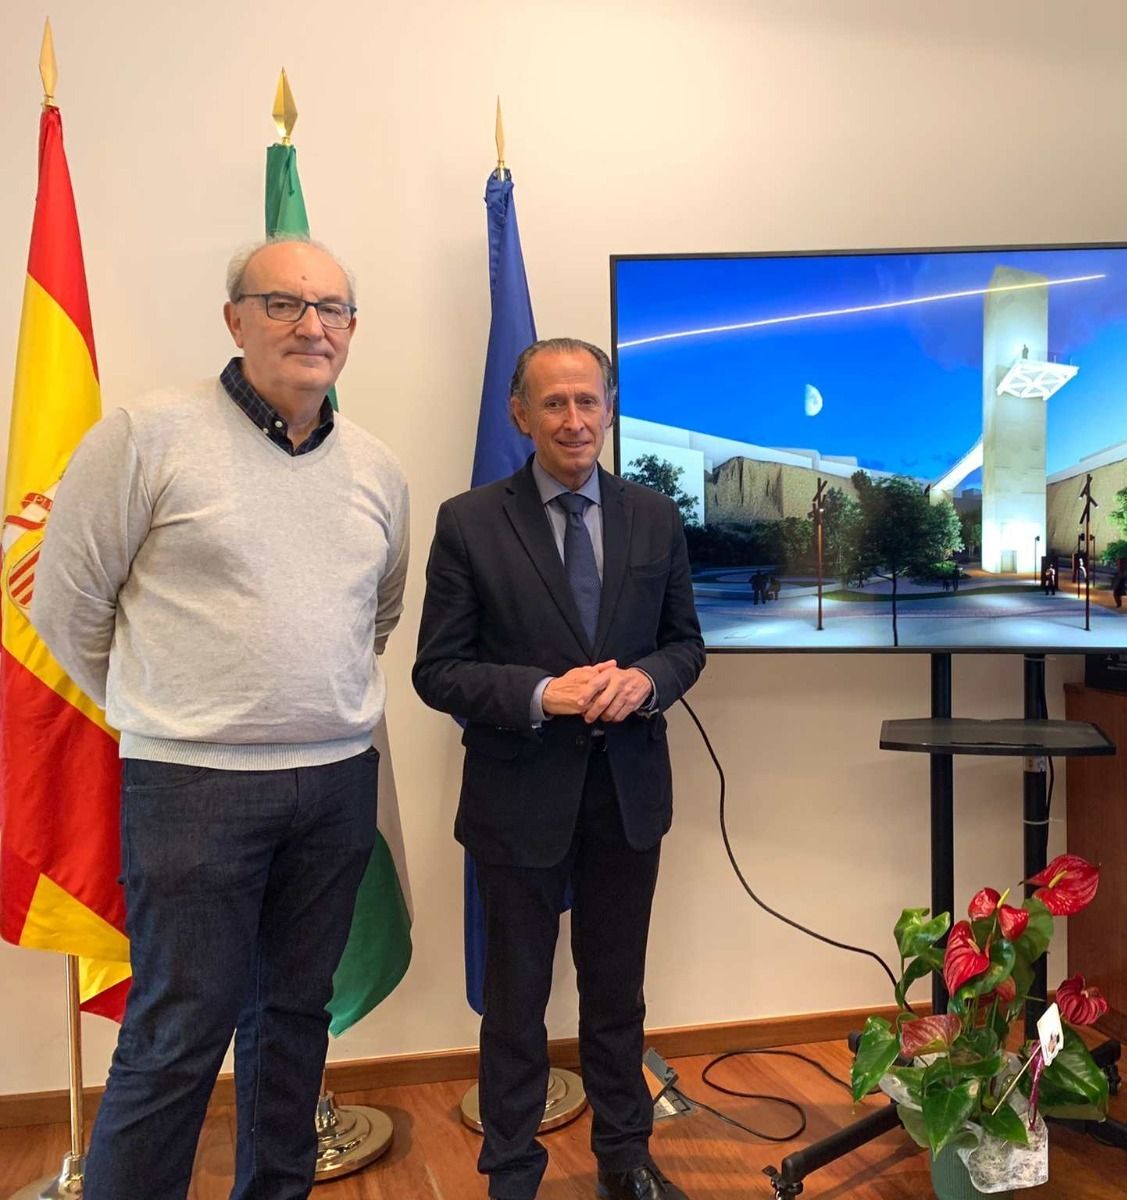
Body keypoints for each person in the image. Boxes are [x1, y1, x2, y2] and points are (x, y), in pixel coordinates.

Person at [31, 237, 409, 1200]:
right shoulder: (144, 436)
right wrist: (176, 709)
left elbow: (376, 615)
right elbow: (68, 611)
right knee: (176, 1034)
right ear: (234, 319)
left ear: (353, 334)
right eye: (283, 303)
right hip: (193, 790)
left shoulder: (377, 468)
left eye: (332, 309)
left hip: (334, 784)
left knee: (294, 1023)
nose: (311, 325)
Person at [413, 337, 705, 1200]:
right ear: (520, 414)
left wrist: (646, 681)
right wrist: (547, 694)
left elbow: (686, 645)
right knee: (515, 1004)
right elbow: (438, 670)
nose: (574, 420)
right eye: (554, 404)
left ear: (609, 409)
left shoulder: (655, 515)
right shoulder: (468, 521)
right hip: (518, 800)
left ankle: (626, 1159)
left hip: (627, 798)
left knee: (617, 997)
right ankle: (511, 1173)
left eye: (588, 402)